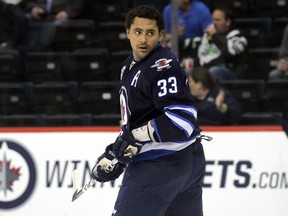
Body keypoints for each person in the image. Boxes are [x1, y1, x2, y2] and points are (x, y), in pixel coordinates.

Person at [90, 5, 210, 216]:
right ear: (127, 32)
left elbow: (182, 122)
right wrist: (116, 152)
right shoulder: (129, 65)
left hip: (162, 163)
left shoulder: (163, 66)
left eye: (150, 33)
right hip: (185, 160)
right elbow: (138, 119)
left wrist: (137, 136)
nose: (143, 39)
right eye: (138, 32)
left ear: (161, 35)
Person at [194, 6, 248, 80]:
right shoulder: (207, 35)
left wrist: (215, 36)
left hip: (230, 72)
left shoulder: (238, 35)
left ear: (228, 22)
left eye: (218, 20)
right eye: (213, 19)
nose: (214, 23)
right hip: (205, 71)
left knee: (214, 71)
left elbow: (231, 52)